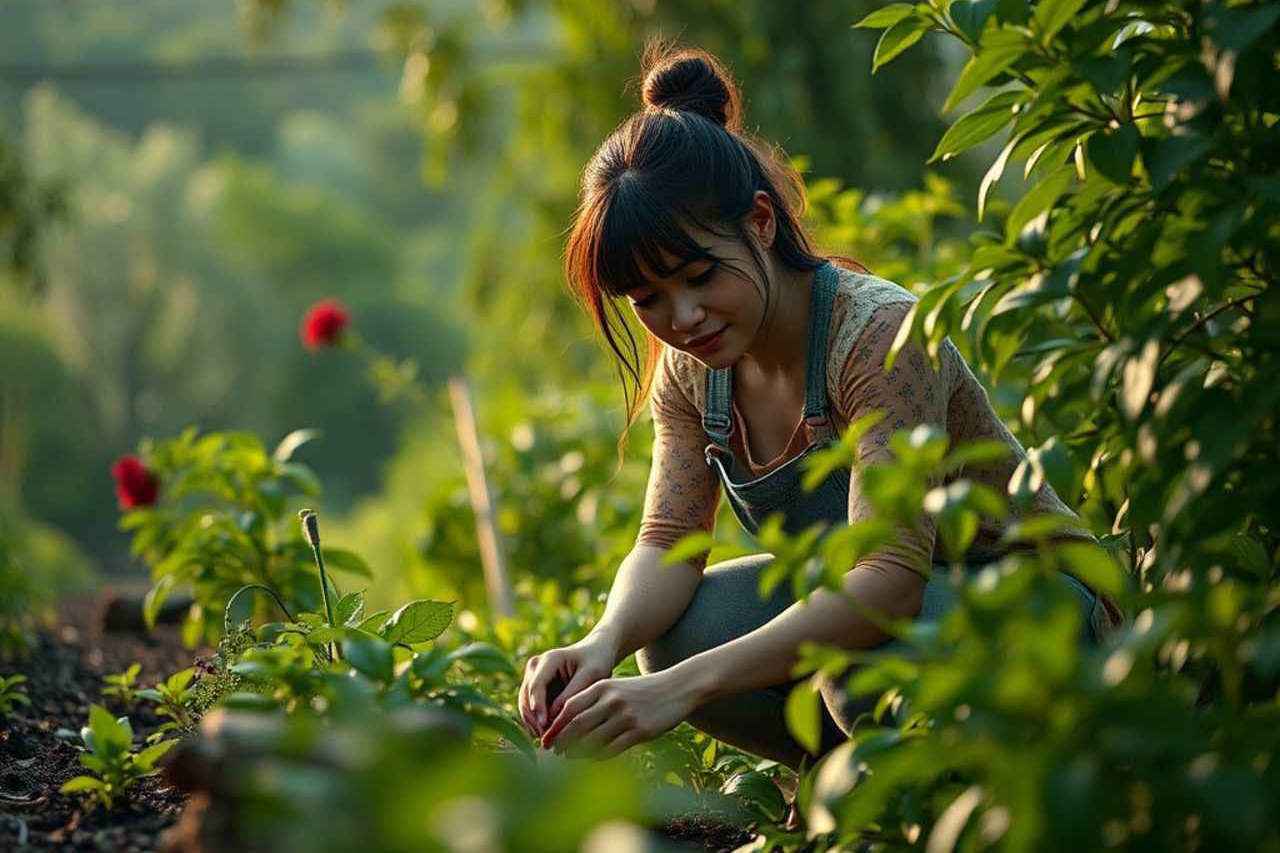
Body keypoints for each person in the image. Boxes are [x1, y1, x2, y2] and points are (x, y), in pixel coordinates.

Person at [518, 41, 1124, 780]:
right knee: (674, 636)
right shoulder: (695, 368)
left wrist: (680, 690)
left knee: (846, 676)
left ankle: (973, 789)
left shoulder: (876, 336)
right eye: (648, 300)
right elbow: (668, 537)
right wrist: (602, 644)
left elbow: (890, 577)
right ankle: (854, 785)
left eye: (701, 275)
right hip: (903, 618)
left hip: (1034, 604)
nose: (683, 316)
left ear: (763, 223)